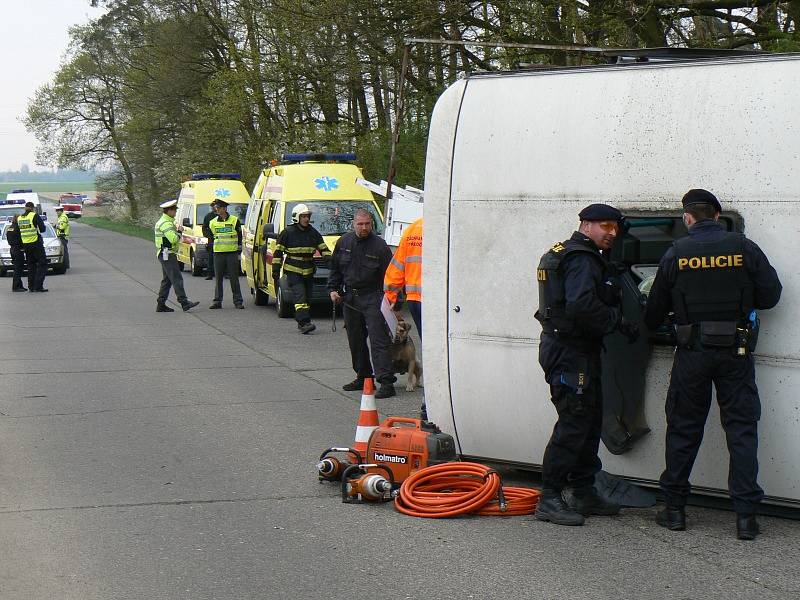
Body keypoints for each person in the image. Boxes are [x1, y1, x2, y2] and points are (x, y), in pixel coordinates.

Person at [644, 189, 782, 540]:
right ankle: (746, 518)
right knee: (741, 430)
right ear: (717, 216)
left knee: (684, 429)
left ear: (688, 218)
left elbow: (654, 310)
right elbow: (770, 295)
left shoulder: (676, 252)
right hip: (735, 353)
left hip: (692, 353)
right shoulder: (744, 248)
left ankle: (674, 511)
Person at [533, 203, 639, 526]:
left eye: (615, 228)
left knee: (589, 420)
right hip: (570, 351)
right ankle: (549, 497)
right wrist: (617, 320)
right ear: (586, 225)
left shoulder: (561, 252)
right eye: (605, 226)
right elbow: (581, 306)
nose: (611, 233)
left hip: (572, 349)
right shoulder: (582, 258)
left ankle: (583, 490)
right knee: (574, 423)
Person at [328, 209, 397, 399]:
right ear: (354, 224)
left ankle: (386, 382)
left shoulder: (380, 246)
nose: (364, 227)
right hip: (350, 298)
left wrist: (392, 299)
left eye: (367, 224)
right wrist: (333, 288)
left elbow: (391, 275)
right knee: (355, 340)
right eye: (360, 224)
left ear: (371, 224)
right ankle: (363, 376)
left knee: (378, 340)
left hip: (373, 297)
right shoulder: (344, 242)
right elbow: (335, 268)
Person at [272, 203, 331, 333]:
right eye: (303, 216)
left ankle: (302, 320)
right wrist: (275, 270)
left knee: (307, 298)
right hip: (293, 270)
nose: (306, 219)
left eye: (307, 216)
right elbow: (278, 253)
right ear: (296, 217)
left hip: (309, 271)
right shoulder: (287, 233)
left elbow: (324, 249)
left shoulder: (313, 232)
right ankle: (304, 323)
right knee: (300, 296)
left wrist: (331, 263)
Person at [154, 199, 199, 313]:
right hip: (168, 254)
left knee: (167, 280)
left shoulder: (167, 221)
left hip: (166, 253)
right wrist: (179, 231)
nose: (175, 212)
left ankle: (161, 304)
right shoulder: (166, 223)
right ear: (168, 211)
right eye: (174, 210)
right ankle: (184, 302)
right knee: (177, 278)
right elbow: (173, 239)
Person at [384, 217, 423, 339]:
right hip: (435, 300)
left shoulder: (413, 229)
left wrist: (391, 297)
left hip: (414, 298)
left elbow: (397, 266)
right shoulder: (447, 225)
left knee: (427, 343)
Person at [208, 199, 244, 309]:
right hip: (218, 253)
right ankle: (217, 301)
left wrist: (238, 249)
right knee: (218, 278)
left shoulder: (234, 220)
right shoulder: (212, 222)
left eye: (219, 208)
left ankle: (238, 301)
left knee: (234, 278)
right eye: (216, 208)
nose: (217, 210)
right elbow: (212, 235)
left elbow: (239, 235)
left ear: (224, 209)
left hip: (231, 253)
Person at [18, 201, 48, 292]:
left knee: (31, 266)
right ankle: (38, 286)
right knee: (42, 264)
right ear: (32, 208)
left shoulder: (20, 218)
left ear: (25, 208)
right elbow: (42, 229)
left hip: (26, 245)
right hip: (36, 243)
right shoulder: (34, 215)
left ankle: (31, 286)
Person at [6, 215, 27, 291]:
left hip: (12, 249)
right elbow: (21, 239)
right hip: (18, 249)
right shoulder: (18, 228)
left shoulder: (10, 228)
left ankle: (19, 285)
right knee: (18, 269)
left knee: (17, 268)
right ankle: (16, 287)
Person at [202, 200, 219, 280]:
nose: (214, 208)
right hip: (211, 240)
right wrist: (208, 236)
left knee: (222, 258)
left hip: (221, 241)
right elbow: (204, 227)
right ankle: (210, 274)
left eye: (215, 206)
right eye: (213, 207)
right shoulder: (208, 216)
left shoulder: (223, 216)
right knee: (211, 258)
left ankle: (226, 274)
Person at [54, 205, 70, 269]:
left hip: (63, 236)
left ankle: (66, 265)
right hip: (61, 236)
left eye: (58, 211)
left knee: (64, 252)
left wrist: (55, 226)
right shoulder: (61, 217)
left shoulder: (63, 217)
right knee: (64, 251)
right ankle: (66, 265)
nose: (57, 212)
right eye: (56, 211)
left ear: (61, 211)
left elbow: (62, 227)